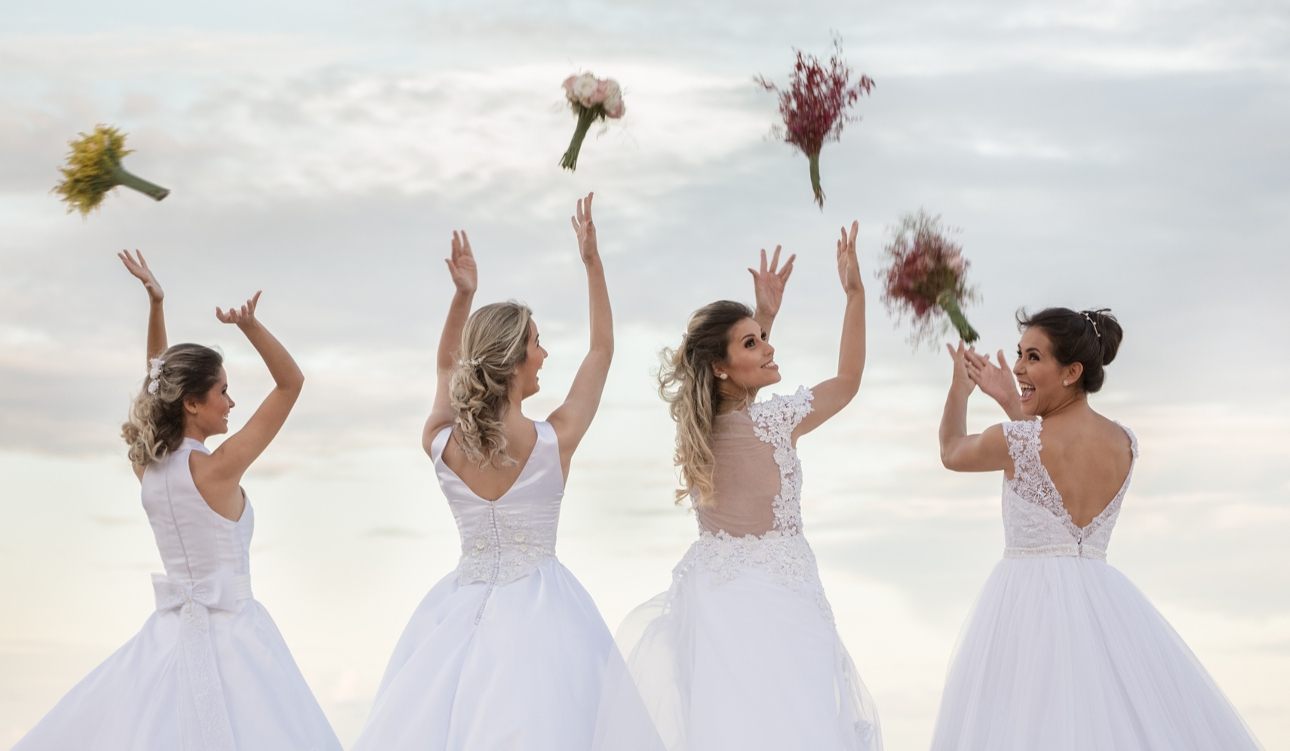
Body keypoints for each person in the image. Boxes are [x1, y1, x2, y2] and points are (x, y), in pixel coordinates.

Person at [352, 194, 655, 750]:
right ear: (516, 360)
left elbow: (446, 364)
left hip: (457, 617)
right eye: (537, 342)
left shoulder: (440, 444)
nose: (545, 353)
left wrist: (462, 296)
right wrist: (593, 262)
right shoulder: (553, 441)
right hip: (547, 619)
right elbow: (603, 349)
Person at [13, 250, 341, 751]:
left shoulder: (148, 469)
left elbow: (153, 382)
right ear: (192, 402)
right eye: (224, 391)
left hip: (167, 639)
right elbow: (291, 384)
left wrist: (156, 304)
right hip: (237, 641)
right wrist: (250, 327)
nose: (232, 403)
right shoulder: (217, 468)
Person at [932, 308, 1265, 750]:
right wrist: (1014, 402)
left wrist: (960, 388)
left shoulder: (1015, 442)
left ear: (1072, 371)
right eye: (1019, 355)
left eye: (1033, 357)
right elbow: (1046, 445)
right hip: (1103, 607)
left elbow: (953, 450)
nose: (1017, 368)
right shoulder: (1123, 443)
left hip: (1025, 609)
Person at [607, 225, 882, 751]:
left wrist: (763, 317)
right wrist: (854, 294)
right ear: (720, 366)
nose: (768, 347)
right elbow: (848, 379)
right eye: (753, 342)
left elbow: (733, 389)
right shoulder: (777, 423)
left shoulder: (698, 433)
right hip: (782, 606)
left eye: (764, 337)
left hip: (718, 605)